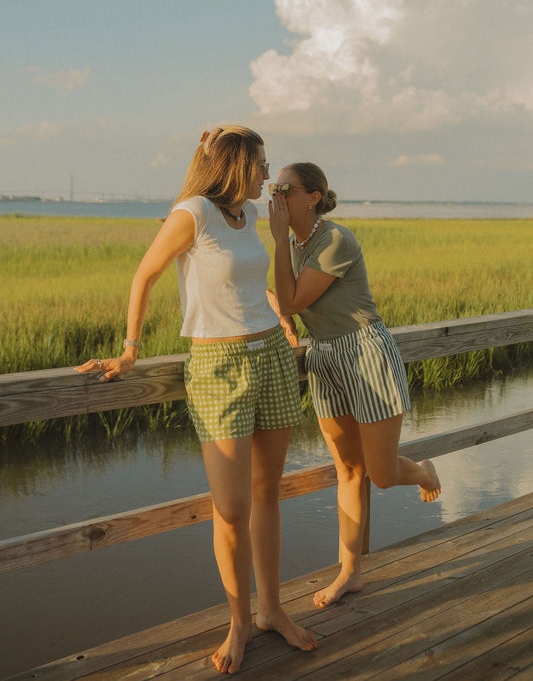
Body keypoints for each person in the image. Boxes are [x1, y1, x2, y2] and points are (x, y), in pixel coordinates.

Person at [75, 127, 317, 674]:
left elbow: (248, 282)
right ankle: (238, 622)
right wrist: (130, 351)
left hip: (273, 358)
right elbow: (146, 275)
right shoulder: (193, 213)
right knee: (231, 511)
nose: (266, 174)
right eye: (260, 164)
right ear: (238, 165)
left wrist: (280, 313)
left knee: (267, 494)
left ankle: (272, 610)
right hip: (217, 366)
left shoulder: (250, 217)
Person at [268, 162, 441, 610]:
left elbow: (290, 297)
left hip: (364, 354)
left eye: (285, 188)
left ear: (312, 196)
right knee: (347, 470)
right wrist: (283, 316)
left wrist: (281, 291)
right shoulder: (292, 244)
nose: (277, 195)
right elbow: (282, 300)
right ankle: (350, 572)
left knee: (380, 476)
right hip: (324, 356)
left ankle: (423, 471)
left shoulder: (335, 239)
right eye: (273, 187)